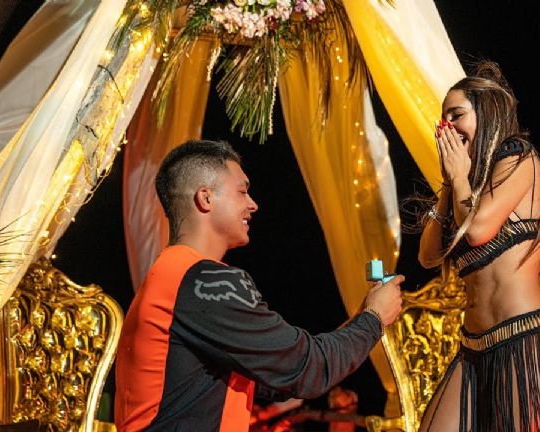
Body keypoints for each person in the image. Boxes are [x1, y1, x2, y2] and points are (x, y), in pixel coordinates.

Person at [114, 139, 404, 432]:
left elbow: (281, 375)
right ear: (206, 198)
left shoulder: (168, 277)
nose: (253, 204)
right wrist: (374, 319)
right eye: (242, 191)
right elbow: (307, 368)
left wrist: (363, 316)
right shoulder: (205, 281)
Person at [416, 61, 540, 431]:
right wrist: (449, 184)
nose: (447, 126)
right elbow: (428, 256)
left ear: (486, 114)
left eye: (457, 115)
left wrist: (459, 178)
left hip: (526, 340)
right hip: (473, 350)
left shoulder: (519, 157)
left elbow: (478, 230)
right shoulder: (464, 187)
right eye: (443, 118)